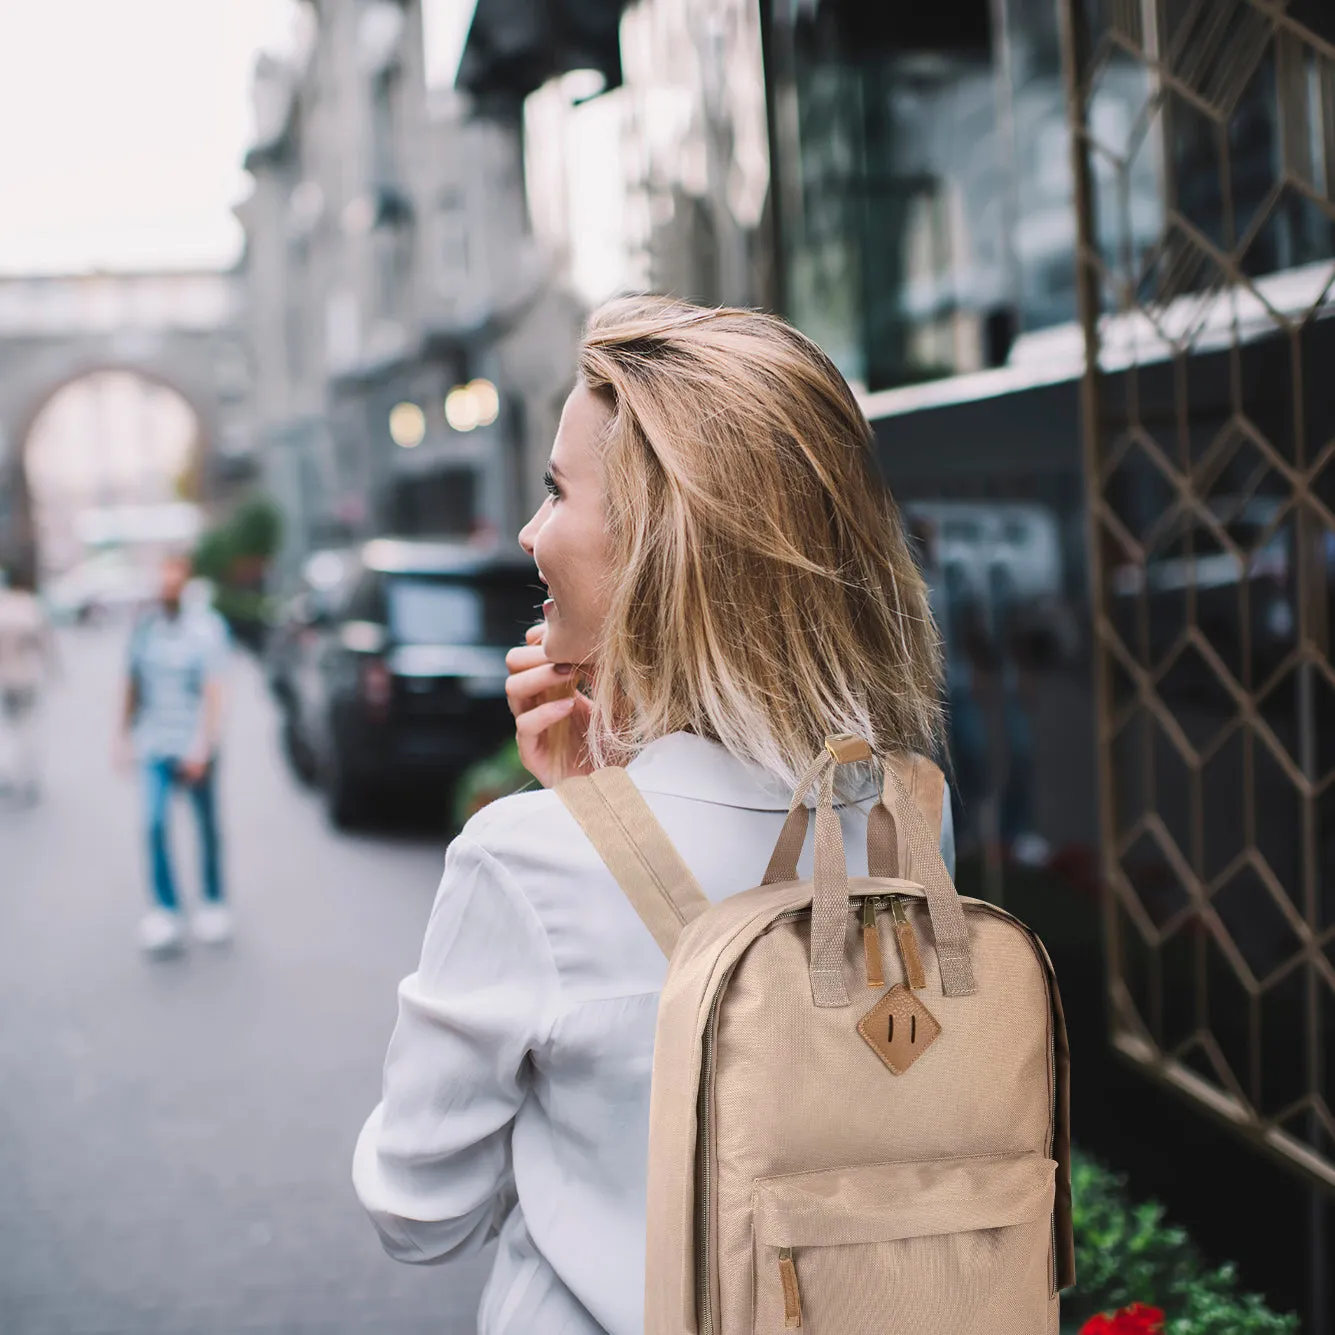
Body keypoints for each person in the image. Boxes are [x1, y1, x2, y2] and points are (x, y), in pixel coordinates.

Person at [352, 297, 954, 1334]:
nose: (533, 533)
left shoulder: (525, 864)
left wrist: (574, 824)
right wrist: (601, 806)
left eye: (554, 493)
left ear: (656, 545)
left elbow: (418, 1211)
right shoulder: (902, 814)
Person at [115, 552, 232, 954]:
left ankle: (213, 901)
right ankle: (166, 909)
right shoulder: (143, 628)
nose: (166, 586)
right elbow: (131, 684)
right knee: (153, 824)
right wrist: (122, 736)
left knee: (206, 826)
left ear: (185, 581)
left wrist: (205, 744)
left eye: (173, 578)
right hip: (154, 742)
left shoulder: (207, 628)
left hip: (194, 744)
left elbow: (214, 691)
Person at [0, 566, 53, 805]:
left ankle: (11, 774)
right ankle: (26, 777)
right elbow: (45, 644)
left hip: (6, 677)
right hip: (26, 677)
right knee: (26, 728)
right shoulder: (30, 607)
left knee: (10, 728)